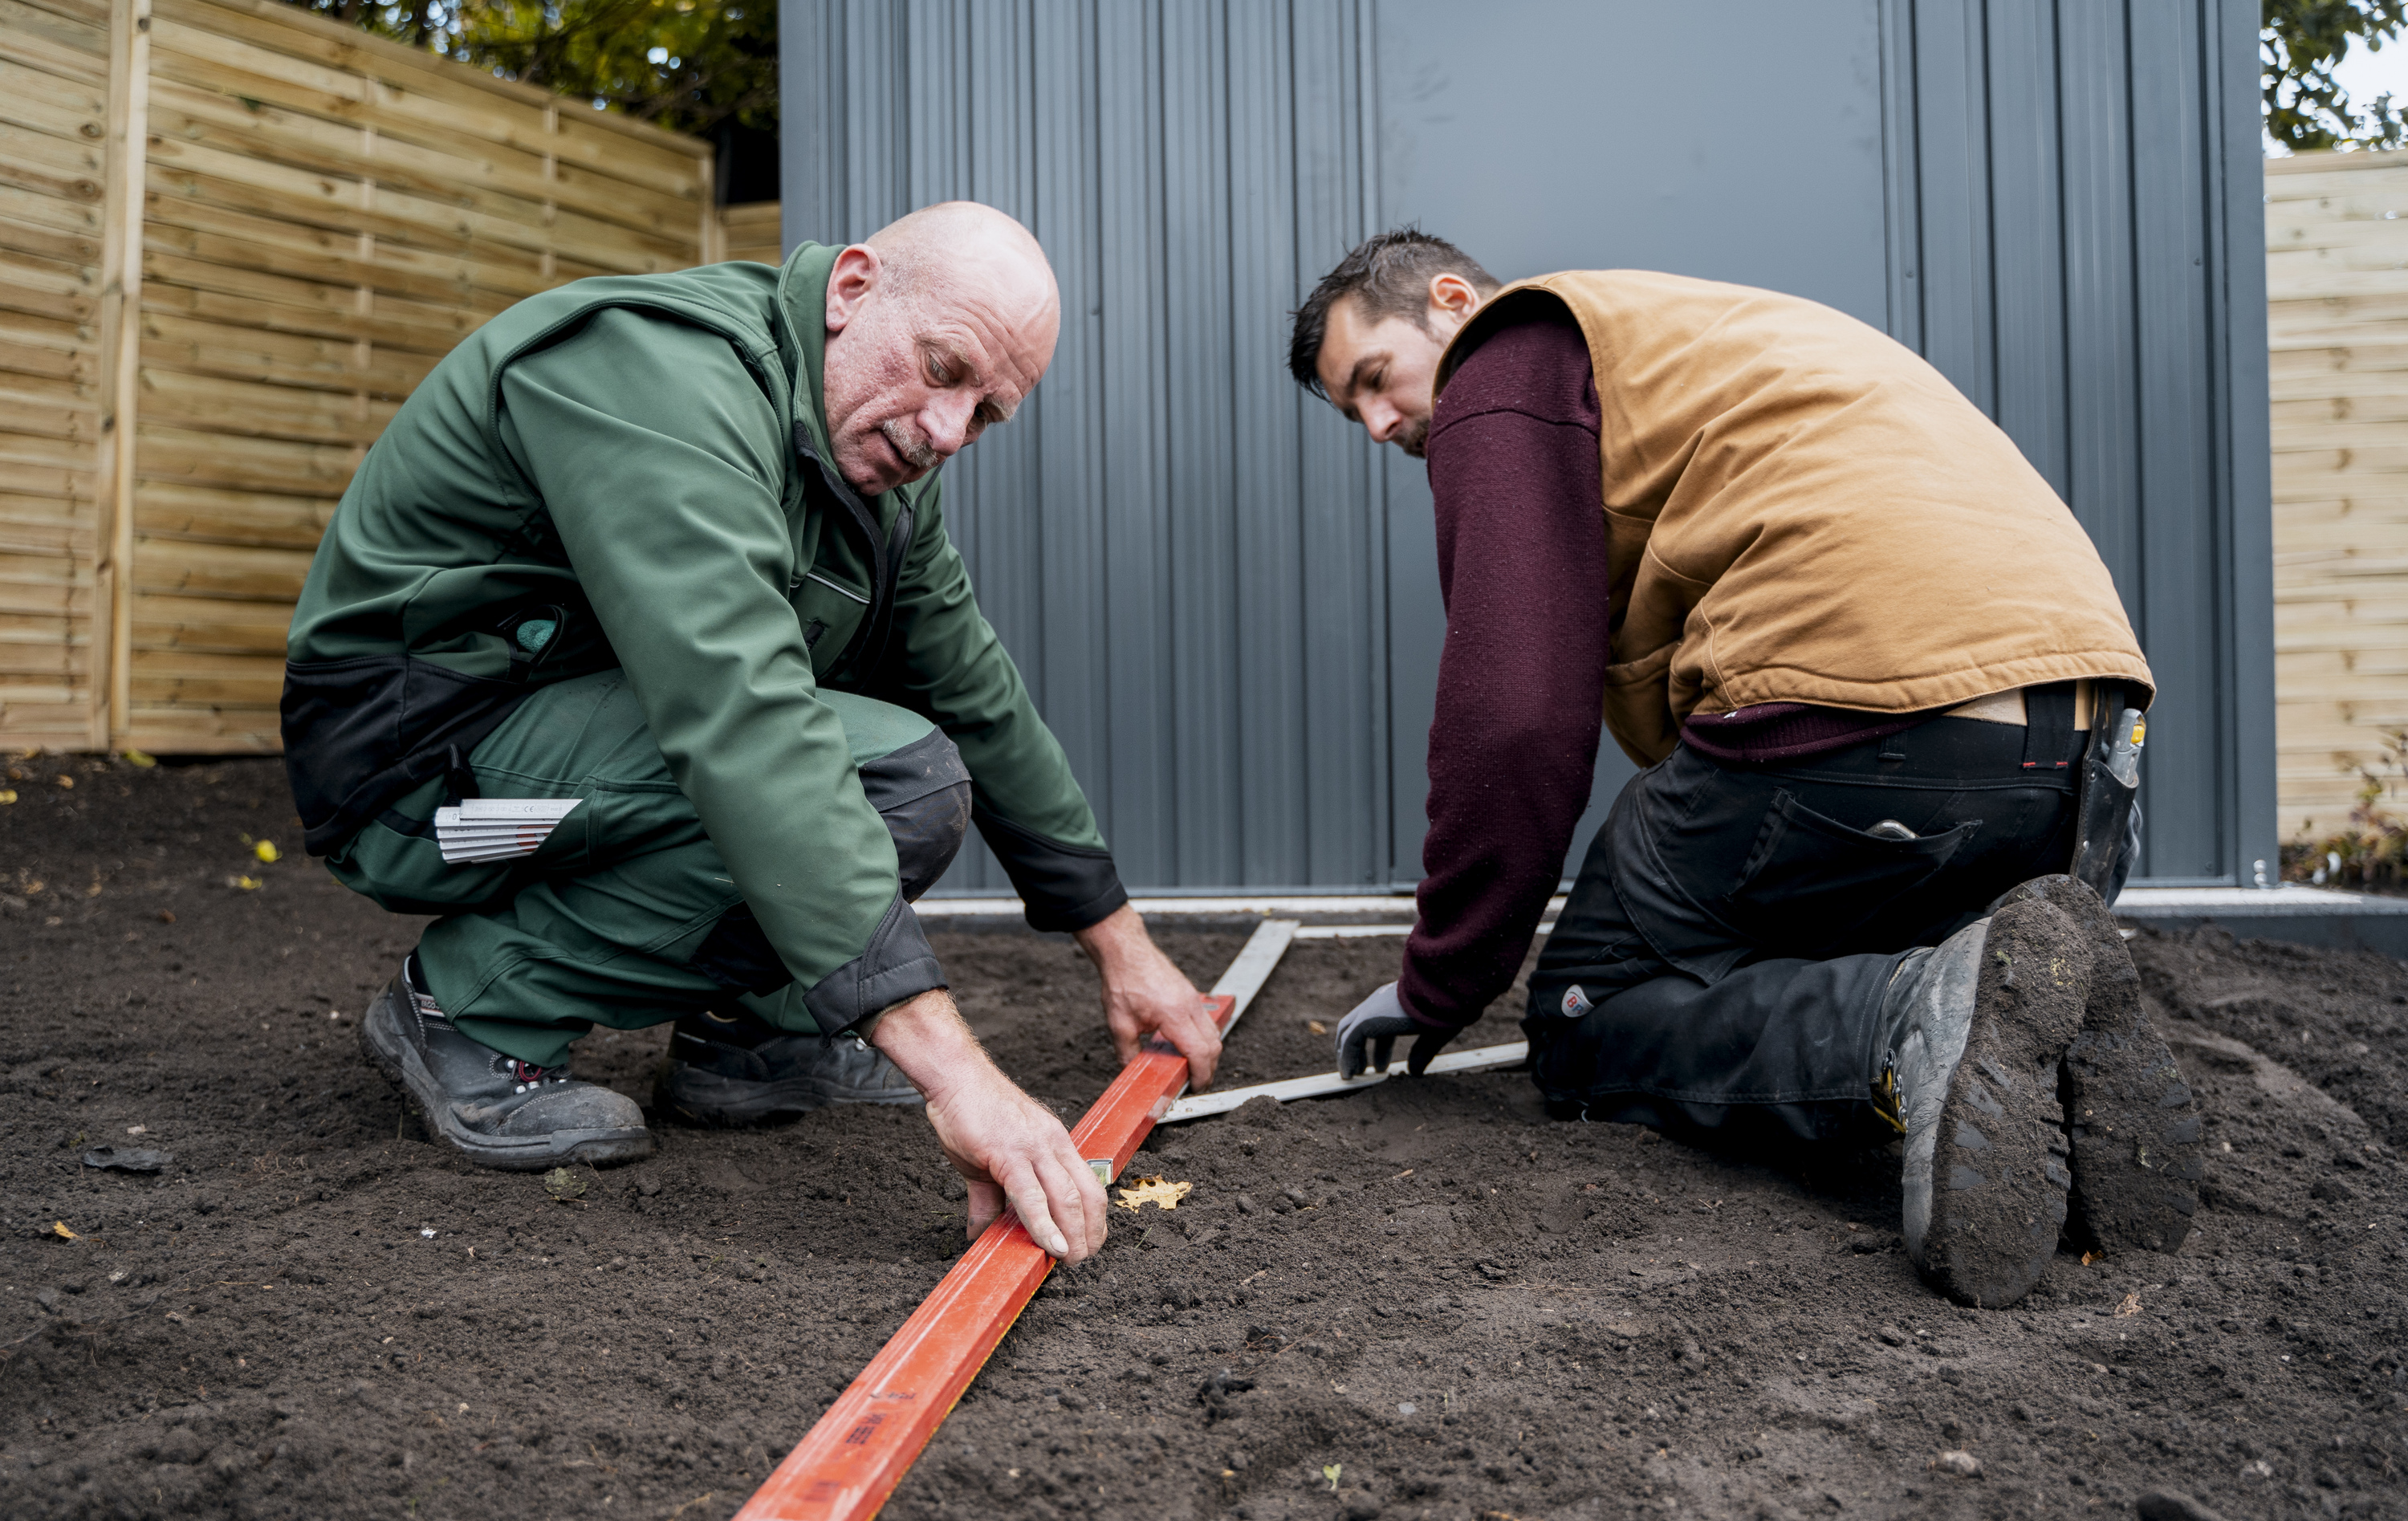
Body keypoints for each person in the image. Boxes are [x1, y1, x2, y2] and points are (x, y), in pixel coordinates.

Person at [282, 202, 1221, 1265]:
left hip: (574, 731)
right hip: (416, 759)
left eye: (987, 412)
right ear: (853, 288)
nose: (949, 430)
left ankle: (752, 1038)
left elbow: (975, 692)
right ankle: (467, 1010)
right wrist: (960, 1078)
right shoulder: (660, 374)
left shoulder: (873, 473)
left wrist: (1123, 947)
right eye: (942, 367)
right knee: (885, 780)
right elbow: (741, 713)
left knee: (915, 770)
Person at [1288, 230, 2200, 1306]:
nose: (1381, 424)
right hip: (2087, 761)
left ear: (1451, 300)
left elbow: (1517, 716)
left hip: (1869, 715)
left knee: (1592, 1004)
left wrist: (1443, 978)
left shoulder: (1509, 351)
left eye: (1375, 380)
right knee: (1923, 945)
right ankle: (2048, 1050)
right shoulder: (1702, 338)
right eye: (1355, 415)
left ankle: (1910, 1019)